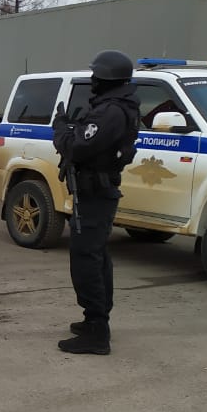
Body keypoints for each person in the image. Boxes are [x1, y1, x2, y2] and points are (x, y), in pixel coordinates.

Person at [52, 50, 141, 354]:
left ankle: (97, 331)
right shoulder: (114, 107)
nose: (92, 80)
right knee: (95, 255)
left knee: (86, 258)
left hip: (95, 193)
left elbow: (79, 146)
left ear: (106, 78)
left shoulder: (111, 111)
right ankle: (95, 320)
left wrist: (61, 128)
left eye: (95, 76)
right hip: (96, 191)